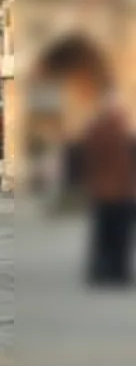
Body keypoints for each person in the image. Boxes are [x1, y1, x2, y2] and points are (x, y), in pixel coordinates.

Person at [72, 98, 135, 285]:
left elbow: (83, 162)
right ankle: (117, 271)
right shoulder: (122, 136)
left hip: (103, 192)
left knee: (104, 234)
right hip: (119, 194)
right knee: (118, 235)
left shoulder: (95, 134)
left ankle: (101, 271)